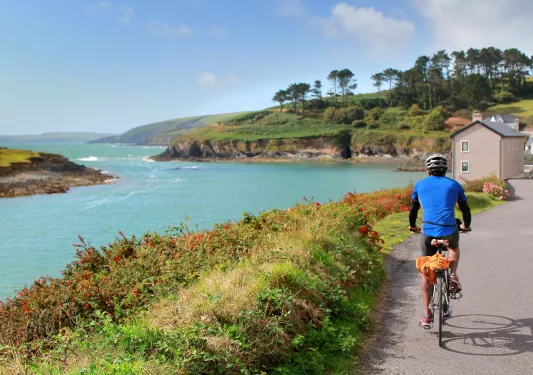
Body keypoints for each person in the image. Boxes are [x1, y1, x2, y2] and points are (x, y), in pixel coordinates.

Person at [408, 154, 471, 328]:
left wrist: (413, 226)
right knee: (454, 247)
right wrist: (466, 225)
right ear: (445, 170)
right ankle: (452, 275)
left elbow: (413, 208)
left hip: (428, 231)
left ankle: (427, 315)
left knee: (427, 269)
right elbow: (465, 208)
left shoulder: (420, 184)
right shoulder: (454, 184)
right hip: (449, 229)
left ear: (428, 170)